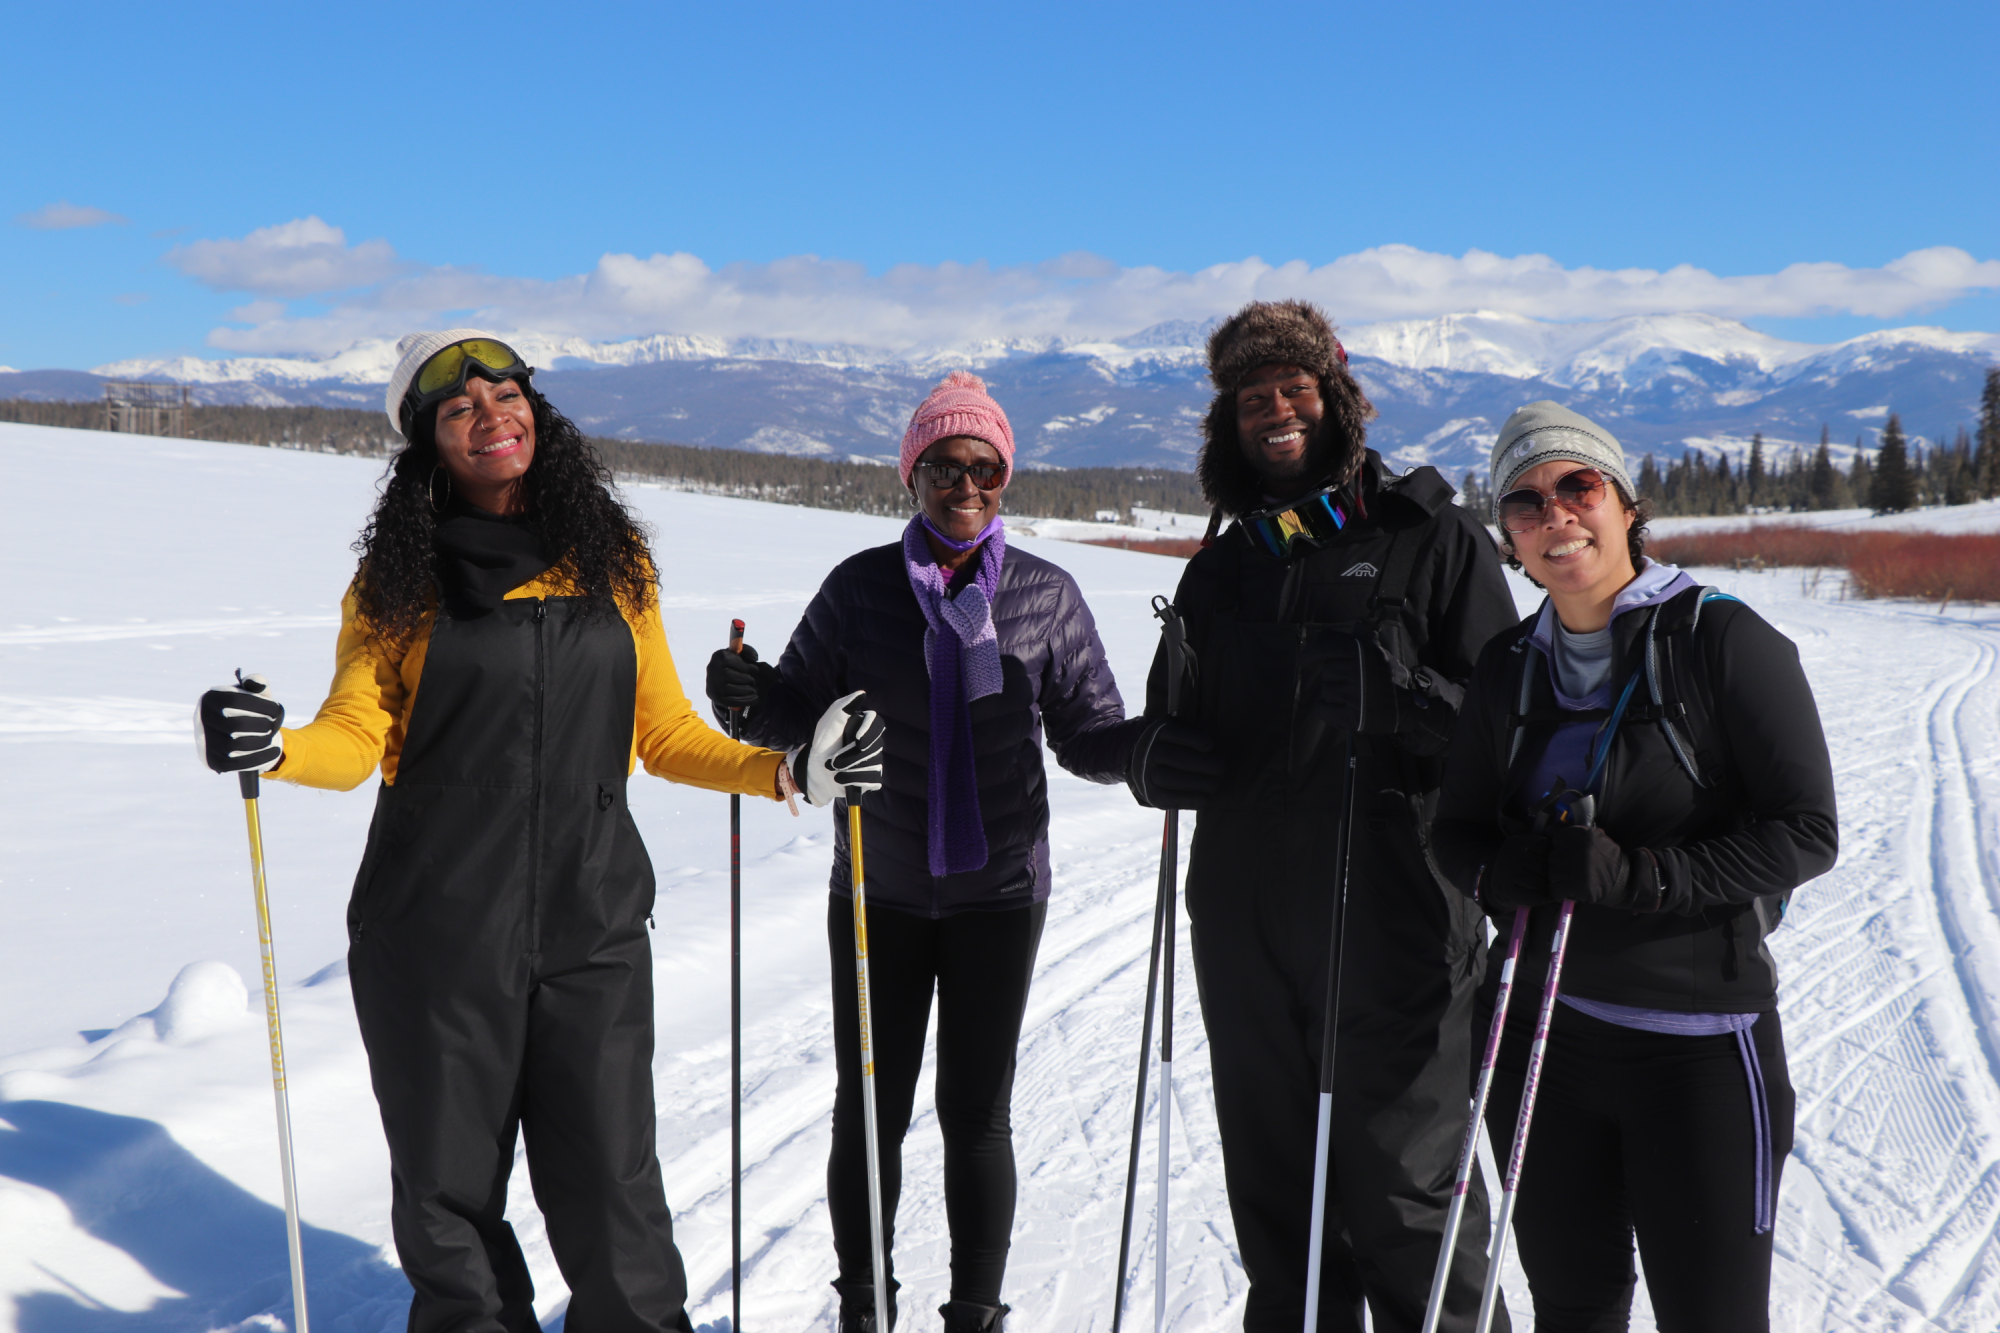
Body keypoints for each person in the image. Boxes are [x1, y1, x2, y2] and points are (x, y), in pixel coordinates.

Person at [195, 329, 882, 1332]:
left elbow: (665, 733)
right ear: (427, 441)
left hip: (591, 925)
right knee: (448, 1202)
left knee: (615, 1193)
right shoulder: (395, 583)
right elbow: (353, 738)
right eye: (459, 407)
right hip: (433, 933)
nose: (490, 413)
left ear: (537, 412)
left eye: (505, 393)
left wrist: (787, 772)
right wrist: (276, 746)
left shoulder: (614, 562)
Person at [705, 370, 1149, 1333]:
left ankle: (975, 1312)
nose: (966, 485)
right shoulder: (861, 589)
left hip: (999, 893)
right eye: (944, 465)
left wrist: (1151, 751)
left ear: (1006, 479)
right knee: (868, 1108)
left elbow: (1087, 733)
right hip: (878, 885)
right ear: (912, 475)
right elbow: (794, 709)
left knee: (976, 1114)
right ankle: (866, 1306)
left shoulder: (1045, 594)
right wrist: (745, 693)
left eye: (985, 468)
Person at [1127, 300, 1519, 1331]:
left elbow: (1511, 724)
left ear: (1337, 400)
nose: (1273, 411)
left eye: (1293, 389)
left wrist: (1406, 702)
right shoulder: (1218, 567)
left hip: (1398, 923)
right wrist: (1152, 756)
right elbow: (1170, 719)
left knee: (1404, 1200)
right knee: (1278, 1210)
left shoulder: (1428, 534)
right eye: (1251, 398)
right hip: (1246, 930)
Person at [1431, 401, 1836, 1332]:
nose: (1555, 515)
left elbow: (1807, 830)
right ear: (1508, 535)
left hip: (1697, 1047)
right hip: (1545, 1039)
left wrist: (1642, 877)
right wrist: (1506, 875)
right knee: (1573, 1310)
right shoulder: (1507, 665)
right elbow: (1454, 831)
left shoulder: (1723, 641)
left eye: (1579, 485)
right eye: (1526, 501)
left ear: (1624, 501)